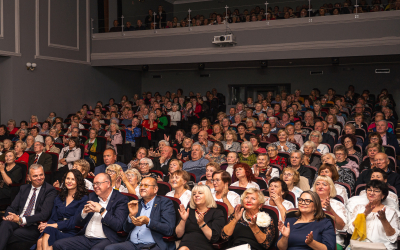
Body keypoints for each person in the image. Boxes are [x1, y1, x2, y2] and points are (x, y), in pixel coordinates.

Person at [53, 173, 129, 250]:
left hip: (106, 239)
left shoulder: (120, 199)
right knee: (58, 244)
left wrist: (101, 210)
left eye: (98, 184)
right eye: (94, 184)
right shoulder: (92, 196)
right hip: (86, 238)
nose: (95, 186)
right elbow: (78, 222)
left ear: (108, 184)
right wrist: (83, 213)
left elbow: (118, 225)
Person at [104, 177, 176, 250]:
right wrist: (131, 216)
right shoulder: (136, 203)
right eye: (141, 185)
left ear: (155, 189)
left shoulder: (165, 203)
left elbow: (169, 229)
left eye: (146, 185)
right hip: (132, 244)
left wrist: (148, 221)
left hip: (153, 245)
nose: (142, 188)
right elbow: (126, 229)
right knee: (109, 248)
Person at [0, 164, 57, 249]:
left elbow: (44, 214)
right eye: (35, 176)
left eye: (41, 174)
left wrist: (21, 220)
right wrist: (8, 216)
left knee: (12, 234)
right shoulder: (24, 188)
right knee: (5, 223)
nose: (39, 178)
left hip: (34, 225)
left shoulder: (50, 190)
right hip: (17, 220)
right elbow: (12, 207)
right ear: (29, 178)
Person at [35, 169, 89, 250]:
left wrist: (49, 225)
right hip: (56, 228)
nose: (69, 181)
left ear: (78, 182)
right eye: (68, 178)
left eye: (73, 179)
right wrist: (46, 225)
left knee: (48, 231)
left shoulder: (83, 199)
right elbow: (53, 217)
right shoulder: (60, 197)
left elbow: (75, 221)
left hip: (72, 231)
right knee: (40, 241)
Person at [348, 180, 400, 249]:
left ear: (383, 195)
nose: (371, 193)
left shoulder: (391, 211)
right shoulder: (359, 208)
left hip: (382, 246)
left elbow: (393, 237)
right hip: (359, 246)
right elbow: (350, 230)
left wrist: (384, 220)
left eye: (376, 191)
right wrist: (365, 214)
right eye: (369, 190)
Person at [176, 185, 226, 250]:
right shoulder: (189, 210)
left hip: (204, 246)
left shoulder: (217, 212)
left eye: (200, 193)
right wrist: (183, 220)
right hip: (185, 243)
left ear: (207, 195)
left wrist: (202, 224)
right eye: (194, 194)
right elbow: (178, 235)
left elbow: (214, 238)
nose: (196, 195)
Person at [313, 175, 348, 249]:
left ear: (330, 189)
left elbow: (341, 227)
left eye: (324, 184)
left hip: (333, 240)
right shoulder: (308, 202)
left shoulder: (337, 204)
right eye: (317, 184)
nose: (320, 186)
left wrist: (330, 210)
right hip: (311, 238)